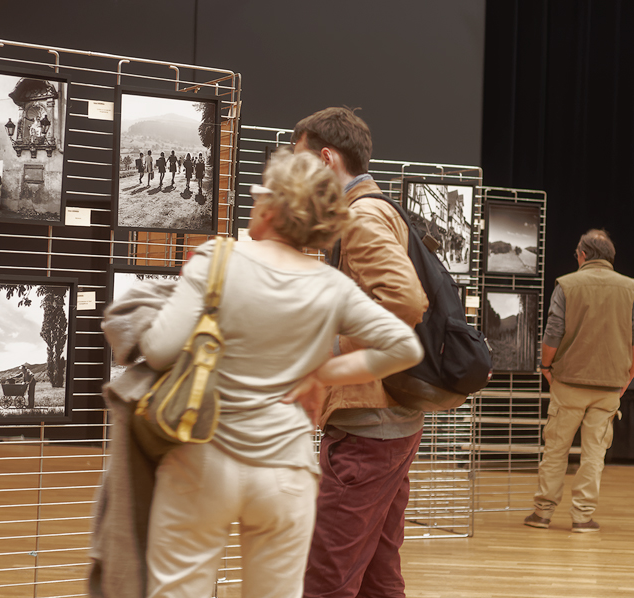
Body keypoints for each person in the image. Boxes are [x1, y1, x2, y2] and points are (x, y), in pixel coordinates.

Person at [135, 149, 423, 598]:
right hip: (285, 472)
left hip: (203, 458)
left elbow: (157, 351)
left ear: (272, 206)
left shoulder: (217, 260)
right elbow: (403, 346)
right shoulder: (331, 286)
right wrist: (325, 373)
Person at [292, 107, 429, 598]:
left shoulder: (361, 215)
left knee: (327, 577)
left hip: (368, 425)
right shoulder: (377, 209)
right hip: (388, 419)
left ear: (326, 159)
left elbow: (406, 302)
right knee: (377, 573)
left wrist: (330, 361)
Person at [525, 229, 634, 533]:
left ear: (582, 254)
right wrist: (628, 374)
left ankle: (542, 513)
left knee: (555, 451)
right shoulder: (629, 287)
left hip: (568, 383)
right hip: (608, 387)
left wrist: (546, 366)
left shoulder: (567, 284)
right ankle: (582, 517)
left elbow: (553, 333)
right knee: (594, 455)